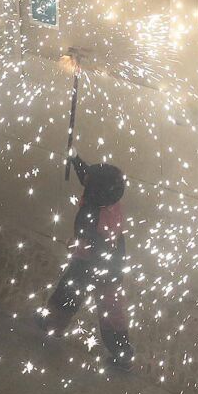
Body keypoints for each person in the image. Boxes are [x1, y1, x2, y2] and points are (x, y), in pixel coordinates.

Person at [40, 157, 134, 369]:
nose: (86, 180)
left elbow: (96, 251)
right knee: (108, 308)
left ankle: (53, 325)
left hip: (96, 266)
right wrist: (75, 160)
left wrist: (74, 246)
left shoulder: (94, 216)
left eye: (89, 182)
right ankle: (122, 353)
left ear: (94, 191)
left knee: (77, 297)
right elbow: (88, 177)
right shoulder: (110, 200)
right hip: (111, 265)